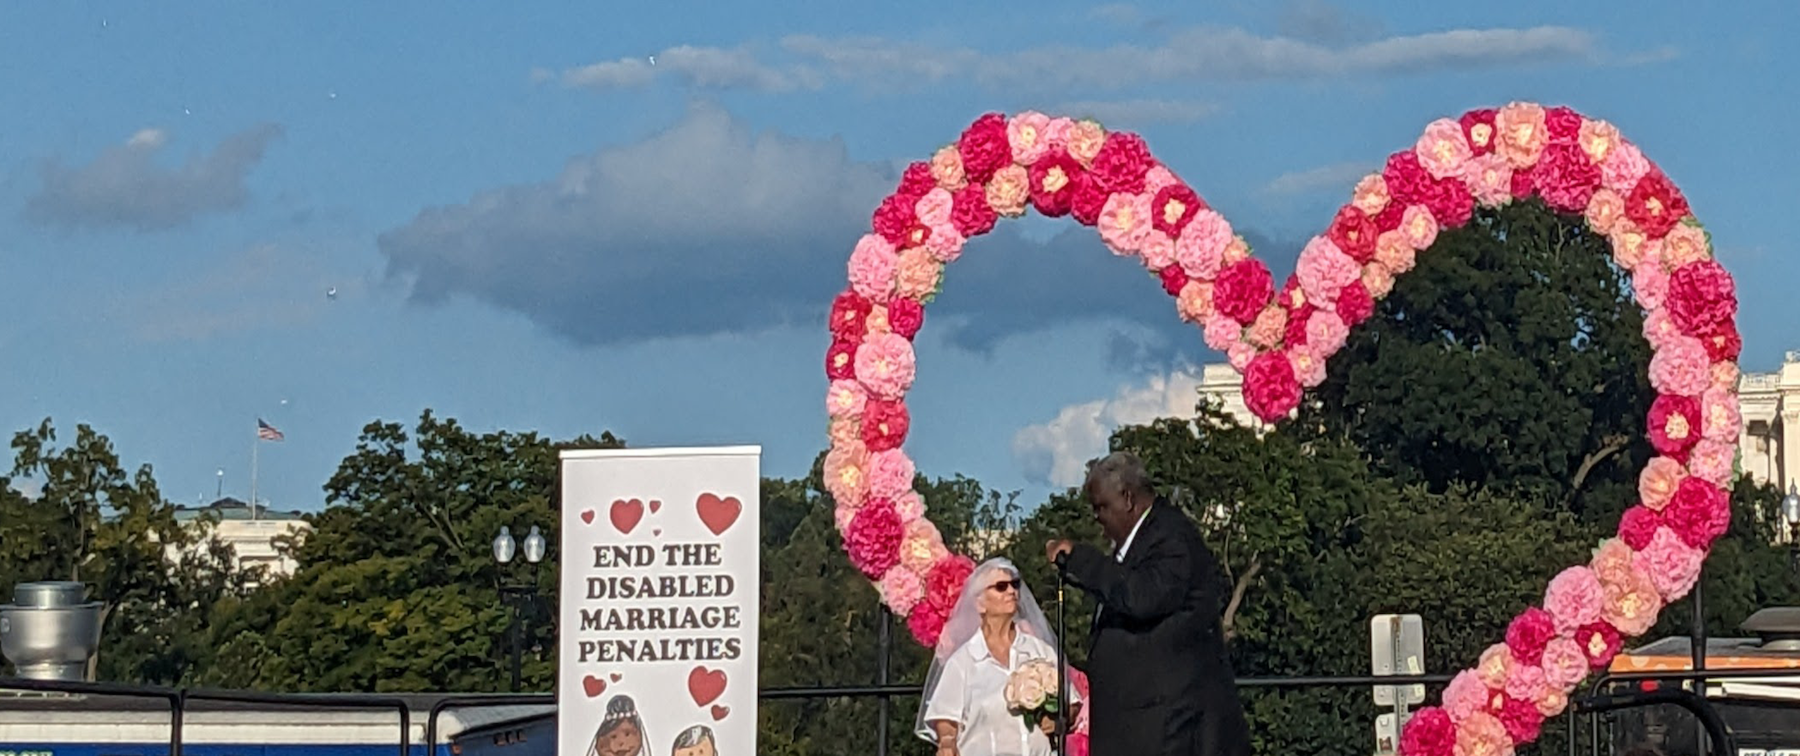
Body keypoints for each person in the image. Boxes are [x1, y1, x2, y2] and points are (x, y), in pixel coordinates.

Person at [1046, 451, 1251, 756]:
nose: (1096, 517)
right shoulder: (1138, 544)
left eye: (1101, 506)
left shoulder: (1171, 537)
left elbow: (1141, 597)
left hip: (1171, 727)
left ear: (1127, 498)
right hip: (1141, 725)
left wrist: (1081, 560)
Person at [916, 557, 1083, 756]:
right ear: (980, 604)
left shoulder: (1039, 651)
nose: (1011, 591)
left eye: (1015, 584)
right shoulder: (964, 661)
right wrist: (947, 741)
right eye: (1001, 587)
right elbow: (945, 715)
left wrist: (1058, 721)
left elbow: (1072, 702)